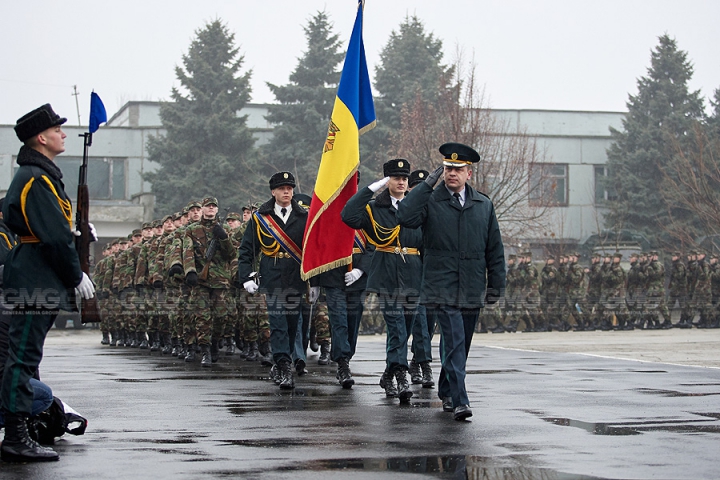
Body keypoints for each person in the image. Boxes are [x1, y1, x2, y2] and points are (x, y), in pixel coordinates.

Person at [1, 104, 95, 462]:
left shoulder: (38, 175)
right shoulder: (36, 178)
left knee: (26, 358)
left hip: (35, 275)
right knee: (22, 359)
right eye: (58, 130)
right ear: (41, 137)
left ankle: (21, 429)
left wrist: (78, 233)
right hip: (34, 277)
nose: (63, 134)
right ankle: (15, 435)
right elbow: (53, 238)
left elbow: (55, 229)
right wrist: (75, 275)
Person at [396, 142, 505, 421]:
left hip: (471, 285)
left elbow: (494, 248)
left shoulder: (484, 204)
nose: (451, 173)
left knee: (462, 344)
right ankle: (460, 399)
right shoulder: (431, 201)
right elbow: (405, 216)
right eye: (447, 169)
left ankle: (446, 388)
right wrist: (425, 185)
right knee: (454, 341)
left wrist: (496, 285)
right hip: (440, 285)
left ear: (469, 173)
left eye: (458, 169)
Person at [342, 159, 430, 402]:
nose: (401, 181)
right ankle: (401, 375)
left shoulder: (418, 207)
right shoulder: (374, 209)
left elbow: (426, 243)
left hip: (413, 273)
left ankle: (388, 372)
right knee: (397, 328)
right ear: (386, 180)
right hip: (386, 276)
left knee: (406, 328)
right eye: (395, 177)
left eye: (404, 178)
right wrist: (370, 189)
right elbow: (348, 215)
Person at [238, 172, 309, 390]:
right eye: (282, 188)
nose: (286, 191)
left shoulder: (304, 216)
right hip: (273, 276)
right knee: (278, 323)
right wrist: (247, 276)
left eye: (289, 188)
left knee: (291, 323)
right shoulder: (261, 218)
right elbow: (247, 250)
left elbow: (312, 250)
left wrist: (314, 281)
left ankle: (281, 361)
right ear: (273, 192)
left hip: (296, 278)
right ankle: (285, 366)